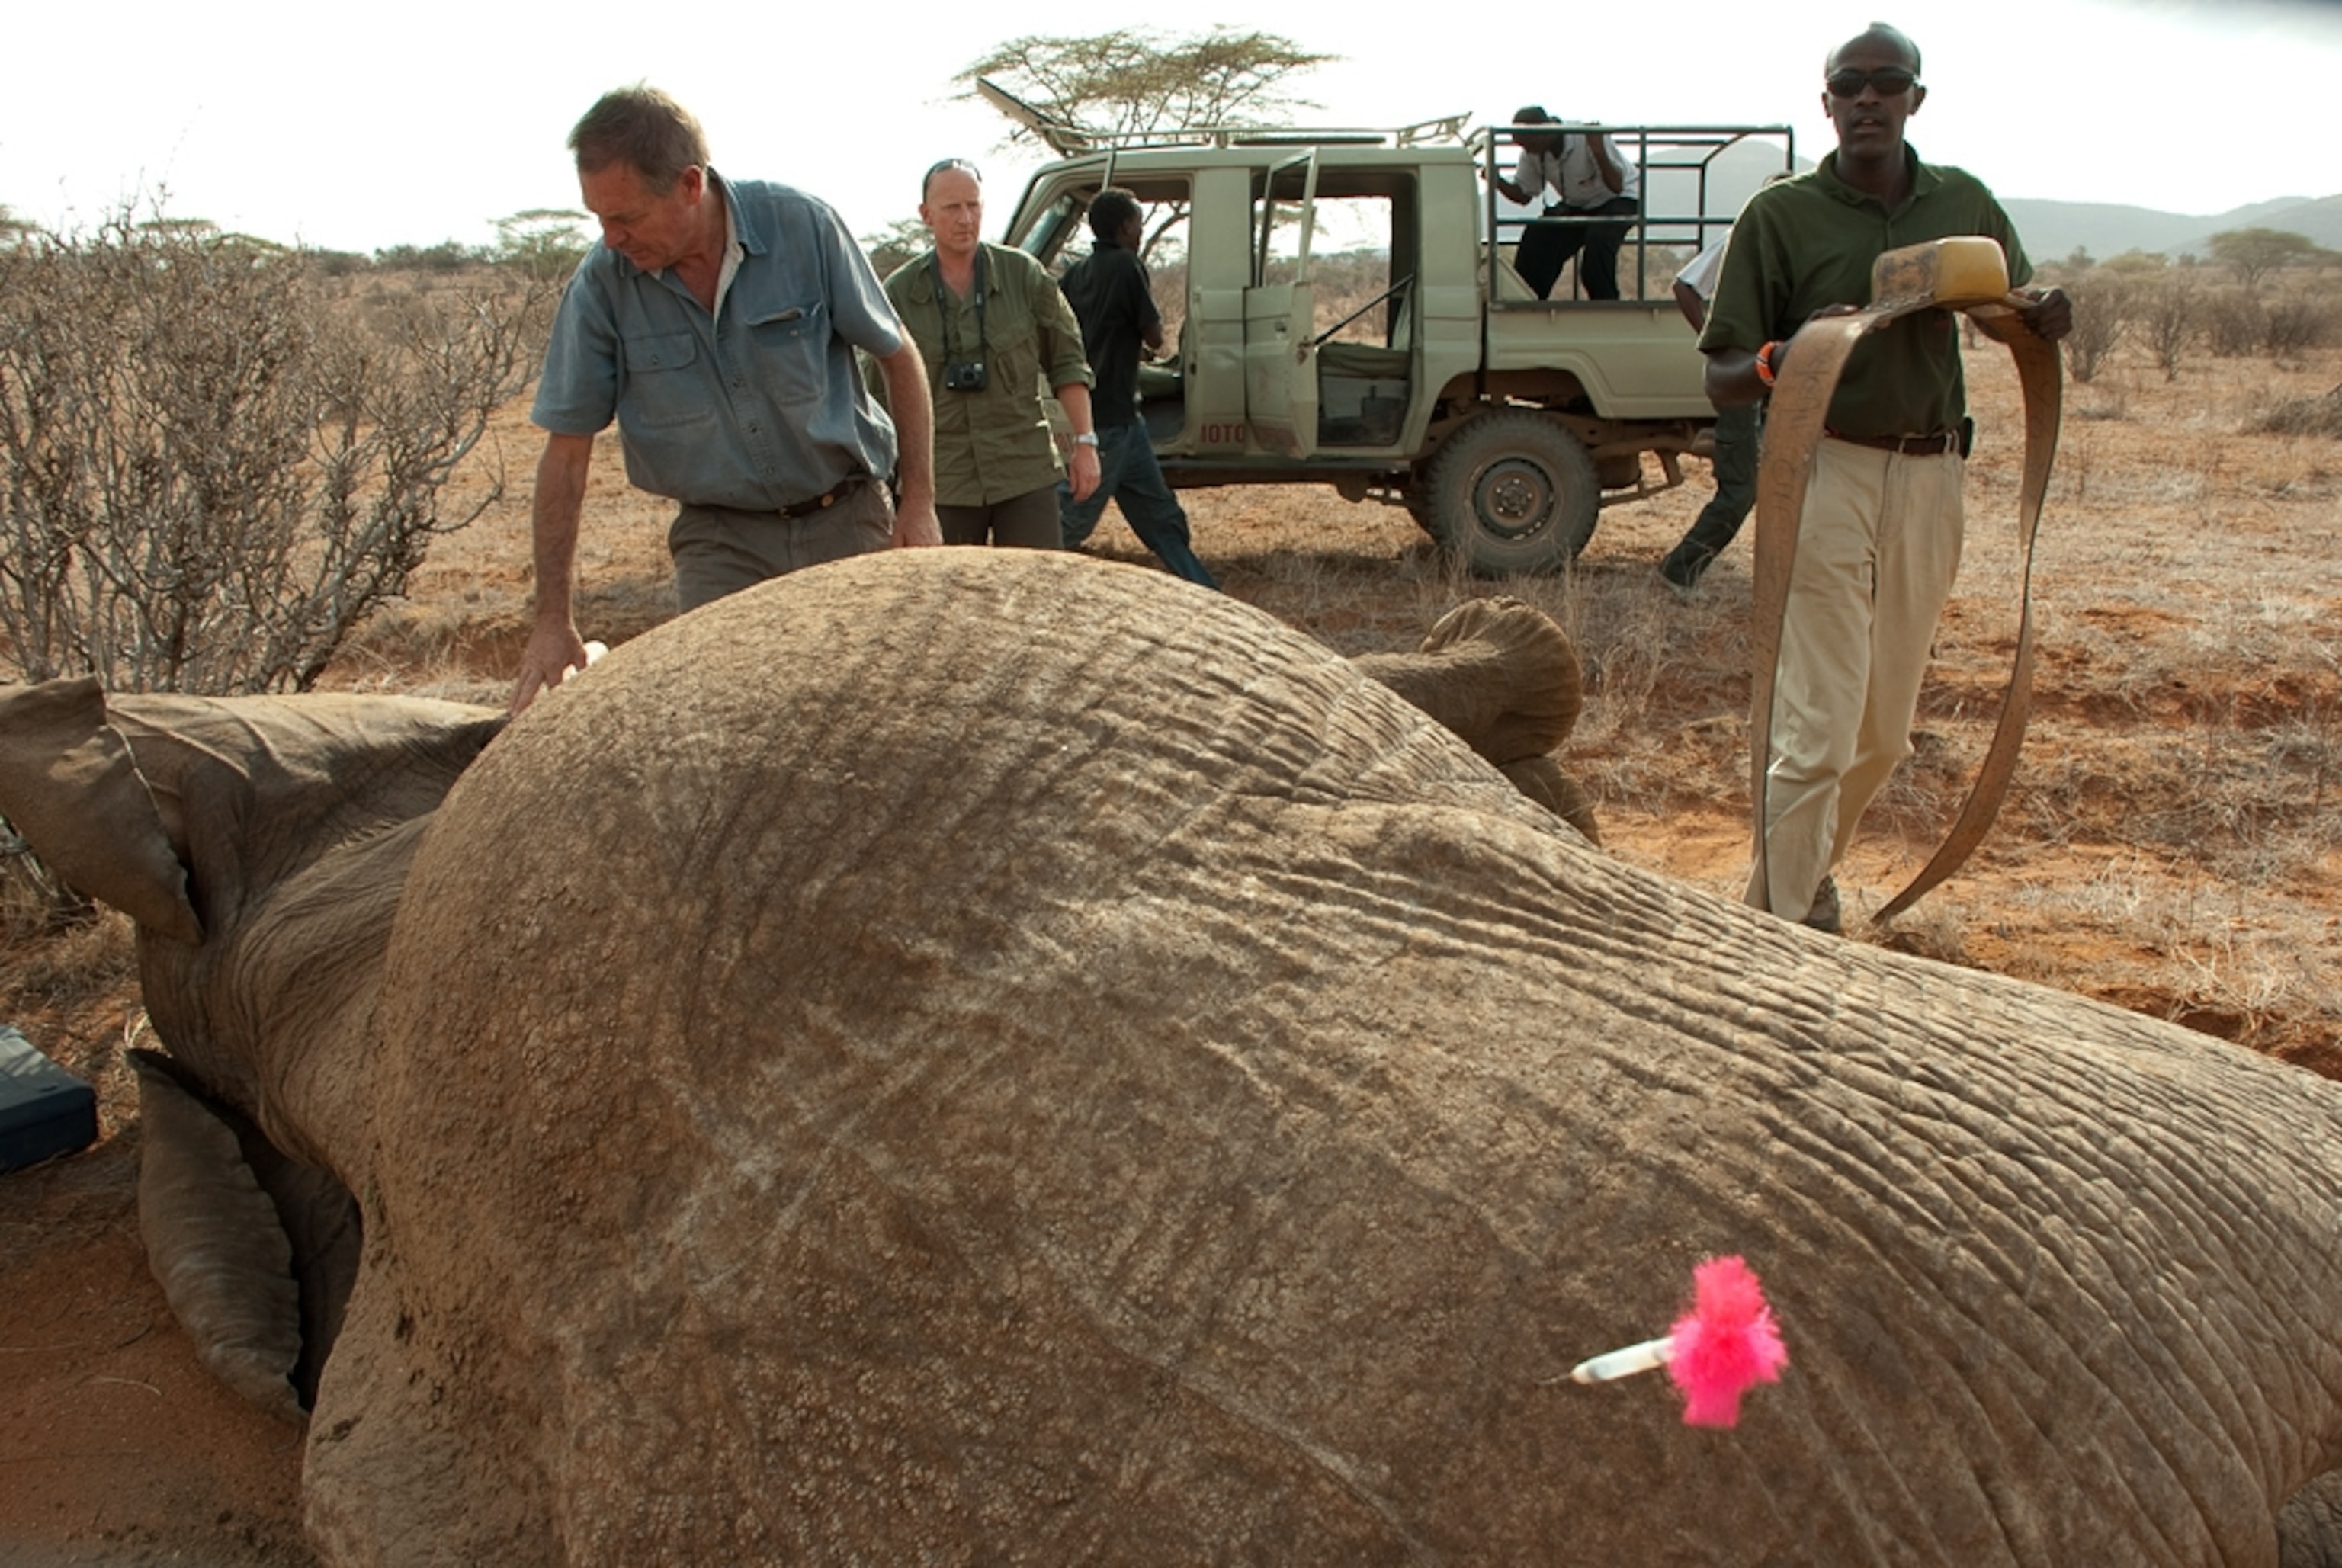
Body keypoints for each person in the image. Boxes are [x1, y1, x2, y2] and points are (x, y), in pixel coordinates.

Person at [1699, 23, 2071, 932]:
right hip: (1823, 465)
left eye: (1887, 83)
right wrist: (1792, 354)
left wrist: (2042, 315)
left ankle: (1797, 881)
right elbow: (1722, 371)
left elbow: (2003, 309)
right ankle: (1779, 935)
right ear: (1826, 102)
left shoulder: (1963, 199)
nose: (1869, 99)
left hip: (1931, 471)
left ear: (1915, 99)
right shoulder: (1781, 215)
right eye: (1850, 85)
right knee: (1819, 727)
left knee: (1882, 733)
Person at [513, 86, 940, 714]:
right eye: (598, 218)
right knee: (726, 723)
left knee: (872, 712)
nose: (610, 239)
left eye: (626, 218)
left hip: (846, 519)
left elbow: (897, 355)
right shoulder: (603, 283)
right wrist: (553, 618)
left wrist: (920, 502)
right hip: (721, 541)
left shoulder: (803, 226)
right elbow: (567, 454)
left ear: (690, 185)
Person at [881, 159, 1100, 548]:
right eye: (952, 208)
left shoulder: (1024, 276)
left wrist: (1085, 443)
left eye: (974, 205)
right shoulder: (897, 294)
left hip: (1024, 471)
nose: (965, 218)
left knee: (1035, 595)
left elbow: (1067, 363)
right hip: (944, 480)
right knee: (949, 600)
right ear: (926, 215)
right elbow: (878, 394)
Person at [1057, 189, 1220, 588]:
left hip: (1113, 415)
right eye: (1138, 225)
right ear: (1127, 227)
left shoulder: (1075, 274)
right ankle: (1018, 581)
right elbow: (1154, 337)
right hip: (1113, 416)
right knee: (1069, 522)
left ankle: (1205, 592)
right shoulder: (1128, 266)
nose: (1139, 233)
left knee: (1157, 512)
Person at [1492, 106, 1642, 302]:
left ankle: (1607, 306)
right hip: (1580, 205)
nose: (1526, 151)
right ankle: (1528, 300)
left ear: (1543, 134)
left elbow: (1616, 185)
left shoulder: (1586, 137)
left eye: (1527, 144)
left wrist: (1598, 151)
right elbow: (1524, 196)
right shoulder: (1534, 152)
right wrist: (1498, 181)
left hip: (1620, 198)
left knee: (1598, 243)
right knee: (1538, 236)